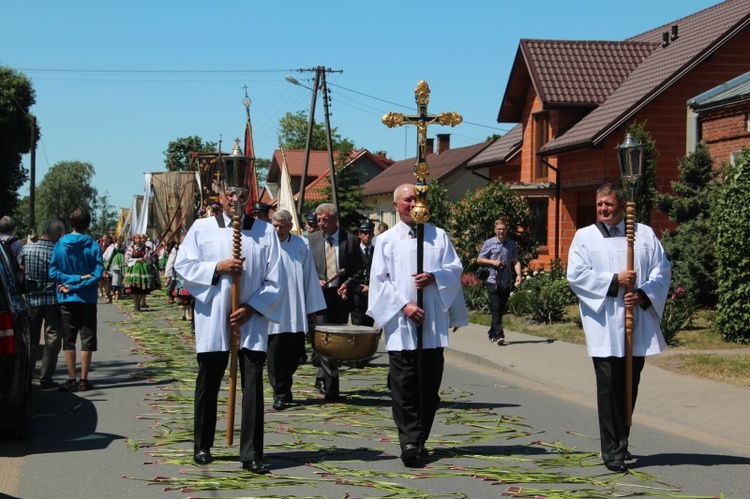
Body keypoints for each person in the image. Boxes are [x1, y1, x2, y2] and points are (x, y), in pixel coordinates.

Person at [174, 186, 284, 474]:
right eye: (229, 194)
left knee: (252, 382)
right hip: (214, 315)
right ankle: (202, 444)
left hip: (251, 318)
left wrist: (251, 308)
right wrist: (217, 267)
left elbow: (275, 279)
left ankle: (251, 453)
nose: (235, 199)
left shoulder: (264, 231)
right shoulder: (202, 228)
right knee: (209, 378)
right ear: (220, 198)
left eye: (242, 194)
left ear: (249, 199)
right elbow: (183, 266)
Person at [567, 182, 671, 473]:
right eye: (599, 204)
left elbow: (662, 271)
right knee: (608, 387)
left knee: (629, 385)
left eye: (608, 204)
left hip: (633, 323)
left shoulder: (644, 235)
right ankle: (611, 450)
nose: (602, 209)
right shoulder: (584, 237)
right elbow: (576, 275)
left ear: (621, 206)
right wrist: (615, 281)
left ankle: (622, 441)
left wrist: (642, 294)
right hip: (604, 325)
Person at [367, 184, 465, 465]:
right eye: (408, 200)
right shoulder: (387, 241)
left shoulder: (438, 235)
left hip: (432, 324)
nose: (413, 204)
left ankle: (421, 437)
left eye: (417, 198)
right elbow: (379, 282)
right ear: (396, 206)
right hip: (402, 324)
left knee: (428, 385)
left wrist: (434, 277)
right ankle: (409, 439)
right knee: (403, 385)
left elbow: (454, 271)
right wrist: (404, 306)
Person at [267, 209, 326, 410]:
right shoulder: (266, 244)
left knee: (294, 354)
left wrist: (313, 307)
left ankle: (286, 384)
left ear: (290, 225)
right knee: (275, 354)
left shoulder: (301, 244)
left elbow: (309, 275)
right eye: (275, 225)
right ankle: (280, 393)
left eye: (282, 226)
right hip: (273, 310)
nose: (278, 230)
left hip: (295, 308)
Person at [307, 203, 362, 401]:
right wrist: (315, 280)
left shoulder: (351, 241)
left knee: (335, 341)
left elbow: (359, 270)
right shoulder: (311, 240)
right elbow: (305, 269)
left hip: (340, 297)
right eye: (318, 220)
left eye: (324, 220)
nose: (320, 224)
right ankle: (332, 388)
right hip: (319, 296)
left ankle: (322, 376)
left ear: (334, 220)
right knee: (324, 339)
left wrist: (348, 284)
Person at [49, 207, 103, 392]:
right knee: (87, 339)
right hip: (86, 298)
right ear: (88, 223)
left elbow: (53, 272)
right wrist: (79, 280)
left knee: (69, 338)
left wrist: (70, 284)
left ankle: (71, 378)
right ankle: (84, 379)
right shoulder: (93, 245)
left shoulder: (60, 244)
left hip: (66, 296)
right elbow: (97, 274)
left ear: (70, 223)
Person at [21, 218, 65, 389]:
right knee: (52, 338)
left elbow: (21, 271)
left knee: (31, 338)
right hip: (52, 299)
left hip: (32, 299)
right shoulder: (58, 252)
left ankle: (28, 371)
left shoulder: (27, 249)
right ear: (58, 234)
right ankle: (46, 376)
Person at [476, 219, 522, 345]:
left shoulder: (511, 244)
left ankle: (492, 332)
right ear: (495, 230)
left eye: (503, 229)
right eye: (499, 229)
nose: (501, 231)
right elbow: (479, 259)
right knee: (496, 307)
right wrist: (493, 262)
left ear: (507, 230)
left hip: (506, 281)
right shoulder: (489, 243)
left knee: (500, 308)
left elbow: (516, 260)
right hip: (492, 280)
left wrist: (518, 275)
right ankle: (500, 335)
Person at [351, 220, 375, 327]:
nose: (367, 235)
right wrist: (360, 288)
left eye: (370, 232)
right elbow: (349, 274)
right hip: (357, 299)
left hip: (371, 298)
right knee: (358, 330)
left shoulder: (376, 252)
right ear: (359, 234)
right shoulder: (353, 252)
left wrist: (371, 288)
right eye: (365, 233)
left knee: (369, 331)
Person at [98, 234, 113, 302]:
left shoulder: (111, 246)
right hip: (100, 264)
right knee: (100, 279)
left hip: (109, 264)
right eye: (104, 237)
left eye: (106, 237)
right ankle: (101, 291)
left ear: (109, 239)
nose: (105, 239)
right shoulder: (99, 245)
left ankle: (107, 293)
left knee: (108, 279)